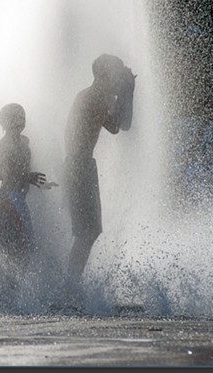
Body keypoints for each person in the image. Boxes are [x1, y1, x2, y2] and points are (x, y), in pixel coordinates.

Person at [64, 54, 136, 284]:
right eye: (115, 74)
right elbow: (121, 126)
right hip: (80, 165)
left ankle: (70, 283)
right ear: (105, 75)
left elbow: (117, 126)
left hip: (79, 164)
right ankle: (70, 285)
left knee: (88, 231)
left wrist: (122, 93)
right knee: (88, 231)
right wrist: (128, 92)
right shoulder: (96, 97)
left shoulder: (90, 95)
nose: (118, 79)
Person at [0, 103, 50, 284]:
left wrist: (40, 183)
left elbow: (24, 172)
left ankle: (15, 295)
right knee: (17, 249)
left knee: (23, 249)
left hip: (17, 199)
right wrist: (27, 177)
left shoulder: (24, 142)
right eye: (17, 116)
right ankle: (13, 294)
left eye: (23, 116)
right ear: (7, 121)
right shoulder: (4, 144)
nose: (22, 120)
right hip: (8, 199)